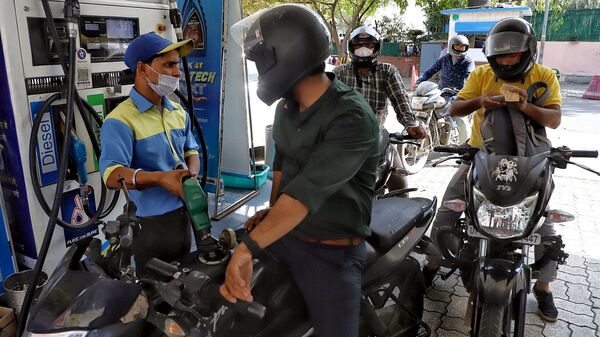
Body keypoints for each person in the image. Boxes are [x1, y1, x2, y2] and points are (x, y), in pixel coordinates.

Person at [220, 5, 379, 337]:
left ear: (288, 55)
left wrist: (248, 247)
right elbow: (282, 164)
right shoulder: (287, 106)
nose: (256, 65)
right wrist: (270, 213)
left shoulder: (351, 117)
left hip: (332, 249)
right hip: (289, 235)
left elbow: (305, 194)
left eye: (261, 59)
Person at [421, 18, 562, 322]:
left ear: (528, 52)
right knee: (446, 213)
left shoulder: (544, 75)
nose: (506, 61)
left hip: (529, 161)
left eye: (512, 55)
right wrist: (481, 101)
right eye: (500, 55)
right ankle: (432, 265)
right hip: (479, 157)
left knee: (545, 226)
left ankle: (544, 286)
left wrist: (525, 106)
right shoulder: (483, 74)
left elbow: (554, 119)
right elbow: (455, 108)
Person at [99, 32, 200, 277]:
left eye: (176, 64)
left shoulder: (178, 111)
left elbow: (191, 150)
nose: (177, 72)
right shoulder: (120, 121)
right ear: (142, 69)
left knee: (185, 279)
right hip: (149, 224)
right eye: (168, 64)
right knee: (155, 290)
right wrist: (160, 178)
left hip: (183, 214)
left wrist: (189, 178)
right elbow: (112, 175)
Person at [333, 26, 426, 193]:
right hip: (343, 141)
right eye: (358, 46)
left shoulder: (387, 71)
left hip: (377, 139)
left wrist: (410, 124)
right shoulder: (339, 73)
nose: (363, 50)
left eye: (369, 46)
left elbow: (401, 101)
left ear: (376, 48)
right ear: (351, 48)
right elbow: (326, 105)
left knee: (400, 187)